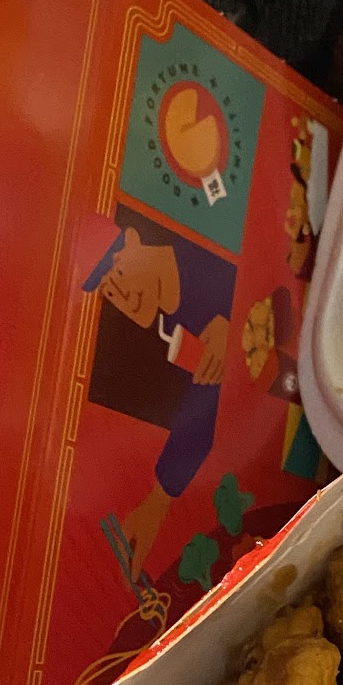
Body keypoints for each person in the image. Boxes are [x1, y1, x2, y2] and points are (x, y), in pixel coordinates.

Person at [79, 213, 234, 577]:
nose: (120, 296)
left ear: (134, 238)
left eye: (117, 272)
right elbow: (202, 410)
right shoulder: (171, 331)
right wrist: (156, 504)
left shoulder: (200, 250)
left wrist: (235, 318)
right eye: (108, 292)